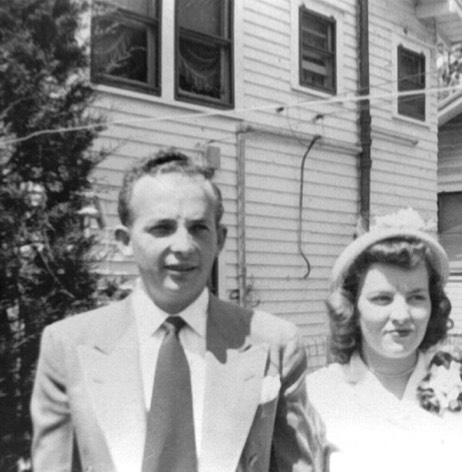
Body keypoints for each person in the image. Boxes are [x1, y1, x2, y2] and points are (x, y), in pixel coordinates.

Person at [30, 150, 325, 472]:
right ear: (124, 241)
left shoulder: (274, 343)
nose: (183, 246)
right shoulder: (68, 346)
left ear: (220, 239)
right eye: (162, 228)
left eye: (198, 228)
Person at [307, 208, 462, 472]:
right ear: (352, 308)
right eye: (382, 299)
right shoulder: (321, 395)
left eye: (416, 298)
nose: (401, 315)